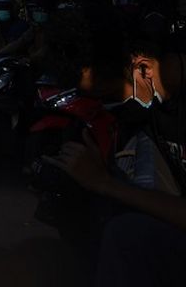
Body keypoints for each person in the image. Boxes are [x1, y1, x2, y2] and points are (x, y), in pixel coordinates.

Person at [43, 25, 186, 287]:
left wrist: (106, 183)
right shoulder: (152, 110)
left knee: (127, 233)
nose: (114, 106)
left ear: (143, 68)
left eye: (112, 94)